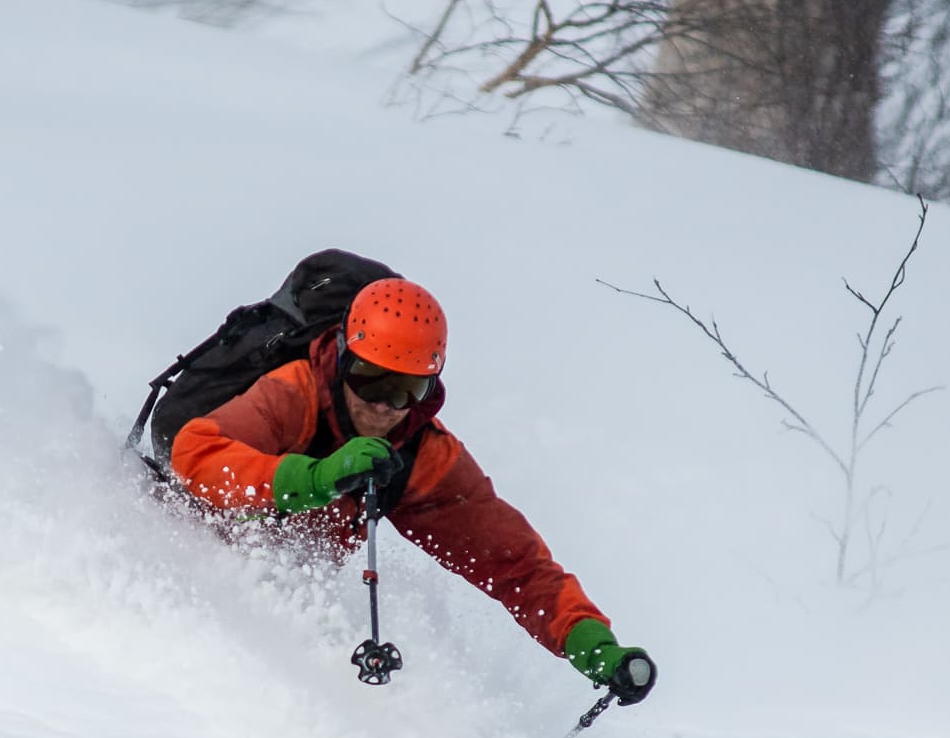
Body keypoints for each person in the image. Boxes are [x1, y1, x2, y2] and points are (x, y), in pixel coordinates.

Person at [169, 276, 655, 703]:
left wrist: (590, 642)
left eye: (406, 390)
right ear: (342, 358)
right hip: (178, 556)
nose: (383, 407)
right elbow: (195, 454)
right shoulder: (294, 393)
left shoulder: (422, 460)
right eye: (370, 379)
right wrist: (314, 479)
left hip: (270, 609)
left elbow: (517, 567)